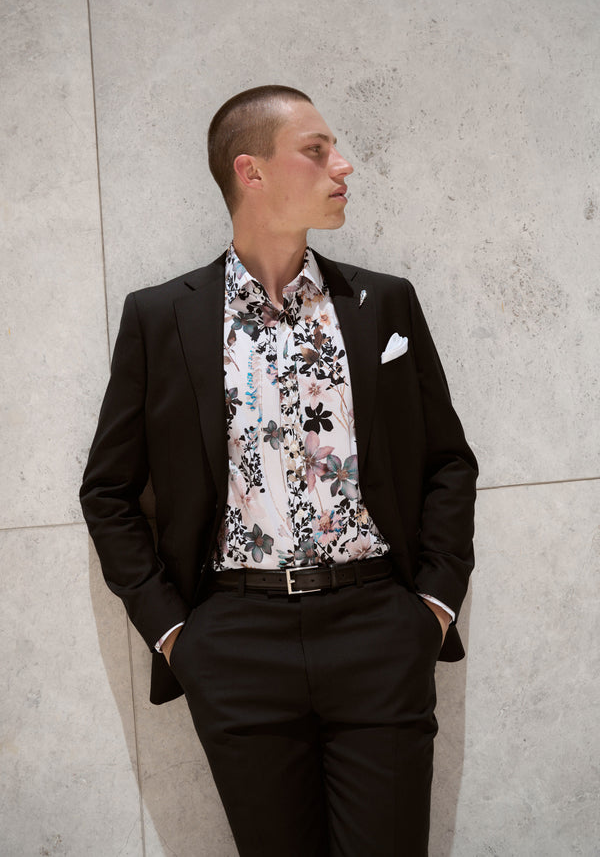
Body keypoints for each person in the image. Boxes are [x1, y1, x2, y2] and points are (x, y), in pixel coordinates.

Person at [80, 84, 478, 856]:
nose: (344, 166)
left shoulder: (382, 303)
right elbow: (108, 491)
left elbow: (447, 462)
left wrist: (431, 604)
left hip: (378, 629)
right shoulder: (162, 319)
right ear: (250, 171)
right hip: (236, 641)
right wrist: (174, 635)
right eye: (317, 149)